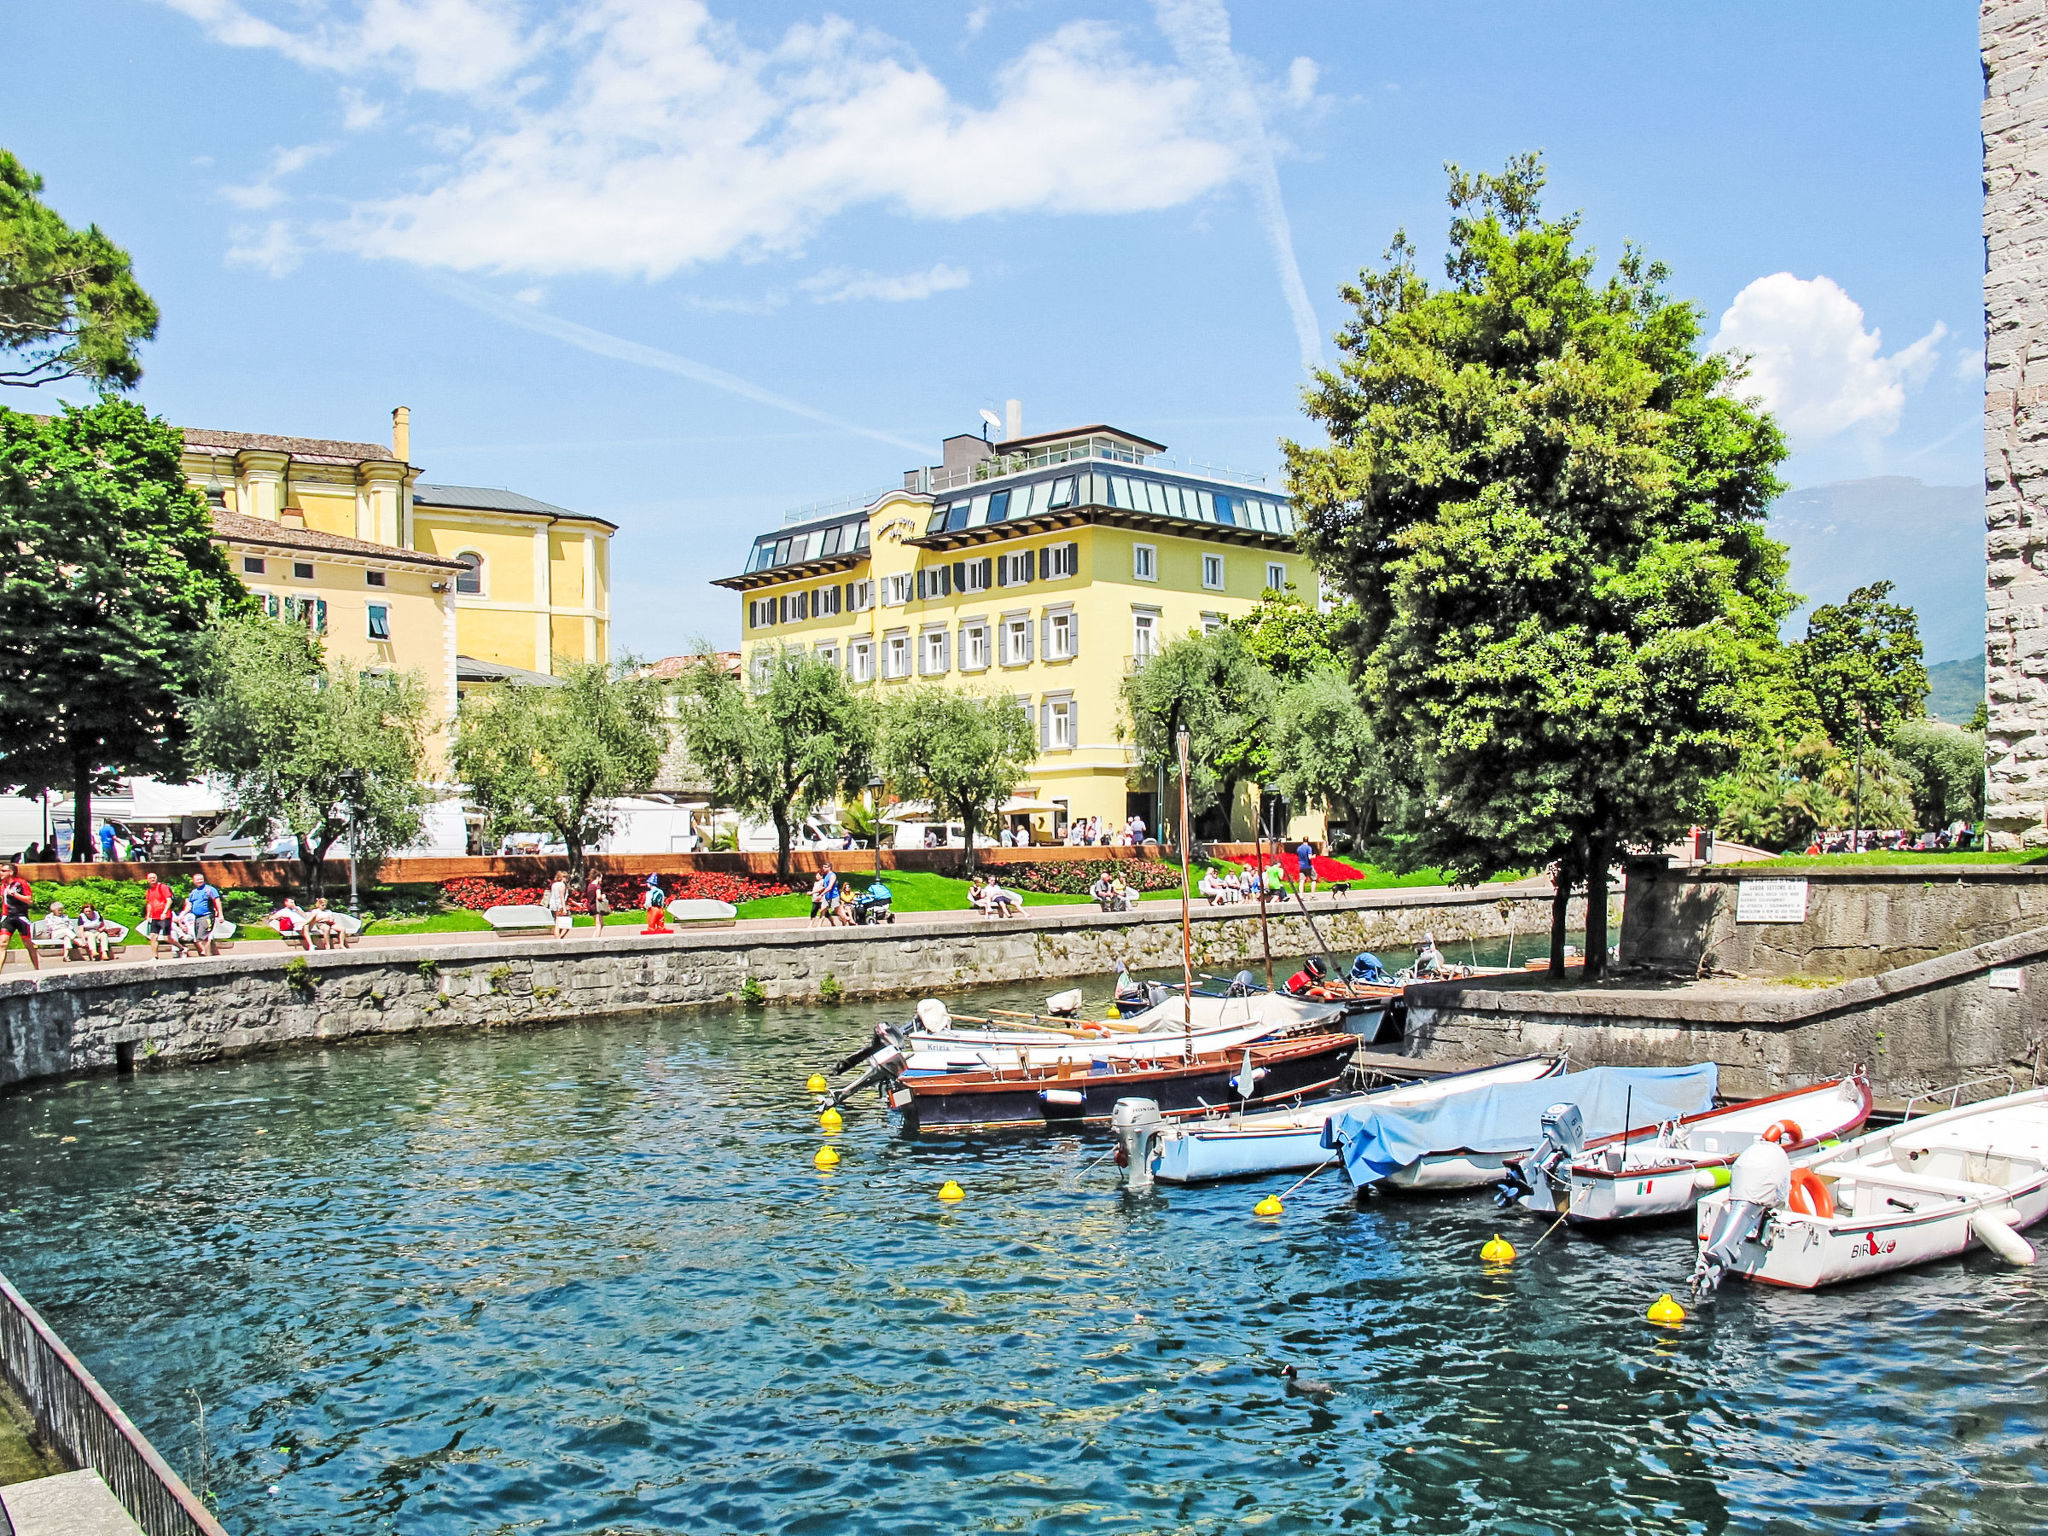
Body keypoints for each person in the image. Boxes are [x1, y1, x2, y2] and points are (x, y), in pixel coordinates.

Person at [4, 867, 44, 974]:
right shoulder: (3, 885)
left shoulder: (21, 883)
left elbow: (29, 900)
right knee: (2, 943)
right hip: (8, 917)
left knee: (28, 944)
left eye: (3, 871)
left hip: (20, 917)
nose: (0, 873)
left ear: (11, 872)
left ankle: (36, 968)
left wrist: (13, 894)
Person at [186, 874, 222, 957]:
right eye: (197, 880)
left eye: (201, 879)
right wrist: (181, 915)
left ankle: (207, 956)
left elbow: (217, 901)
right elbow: (189, 905)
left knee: (202, 938)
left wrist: (220, 914)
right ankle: (215, 956)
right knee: (201, 938)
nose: (199, 881)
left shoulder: (209, 890)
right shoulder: (193, 892)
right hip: (197, 918)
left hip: (207, 916)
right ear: (194, 881)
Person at [143, 872, 174, 959]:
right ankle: (155, 956)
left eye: (154, 877)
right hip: (155, 917)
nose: (152, 879)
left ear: (157, 878)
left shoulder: (162, 887)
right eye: (150, 878)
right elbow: (149, 904)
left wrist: (164, 912)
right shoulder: (149, 891)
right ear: (147, 880)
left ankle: (182, 948)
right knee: (153, 936)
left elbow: (169, 900)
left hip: (165, 916)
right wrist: (148, 915)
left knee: (167, 938)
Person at [545, 872, 572, 939]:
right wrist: (564, 908)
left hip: (553, 905)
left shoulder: (554, 884)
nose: (566, 879)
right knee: (564, 924)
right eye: (565, 877)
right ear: (561, 877)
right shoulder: (562, 885)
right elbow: (562, 897)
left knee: (557, 922)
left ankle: (558, 937)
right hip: (560, 905)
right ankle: (559, 938)